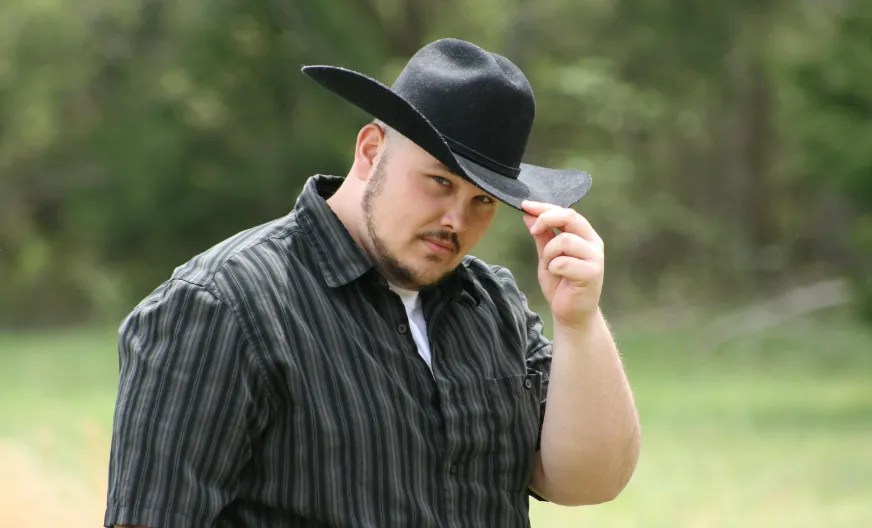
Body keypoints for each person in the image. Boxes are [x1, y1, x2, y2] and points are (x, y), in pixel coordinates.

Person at [104, 38, 640, 528]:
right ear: (370, 151)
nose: (456, 219)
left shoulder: (492, 306)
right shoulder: (222, 305)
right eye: (439, 181)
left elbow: (589, 482)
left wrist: (579, 322)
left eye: (482, 199)